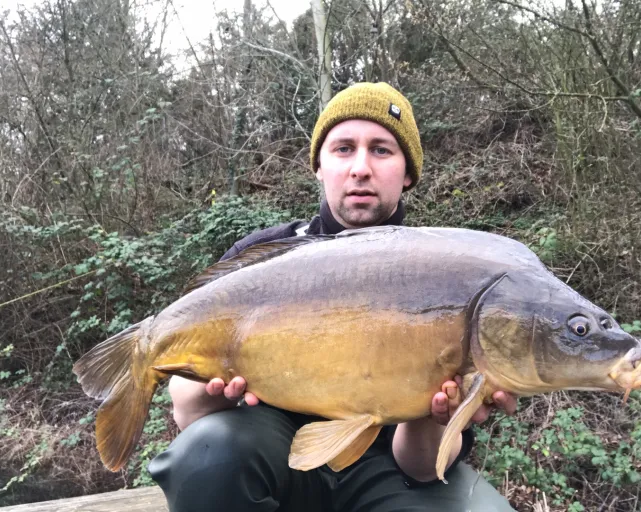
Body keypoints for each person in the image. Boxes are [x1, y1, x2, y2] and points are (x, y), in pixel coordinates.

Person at [148, 82, 518, 511]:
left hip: (388, 473)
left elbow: (418, 468)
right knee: (208, 453)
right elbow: (186, 414)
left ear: (409, 172)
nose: (361, 167)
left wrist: (436, 413)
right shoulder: (257, 261)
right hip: (273, 456)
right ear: (319, 166)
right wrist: (218, 387)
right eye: (343, 148)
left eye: (381, 150)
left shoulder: (450, 273)